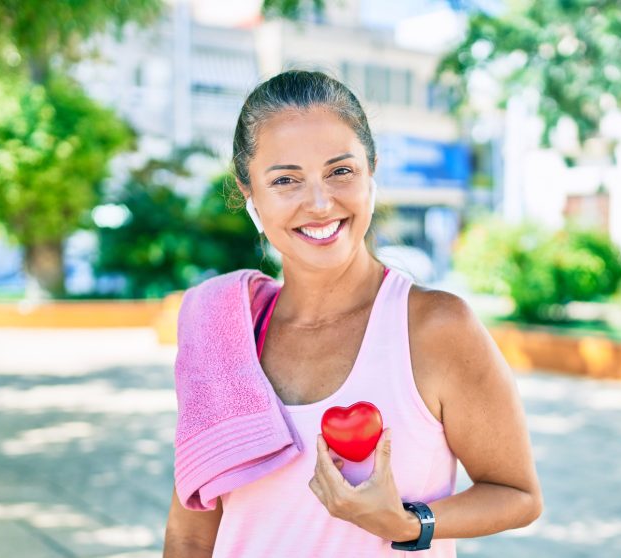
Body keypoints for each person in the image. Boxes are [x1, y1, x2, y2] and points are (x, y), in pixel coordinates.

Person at [164, 70, 541, 557]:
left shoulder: (433, 327)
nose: (320, 204)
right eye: (285, 180)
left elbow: (518, 495)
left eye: (340, 171)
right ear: (248, 192)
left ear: (371, 171)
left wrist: (408, 523)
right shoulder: (223, 334)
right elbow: (191, 533)